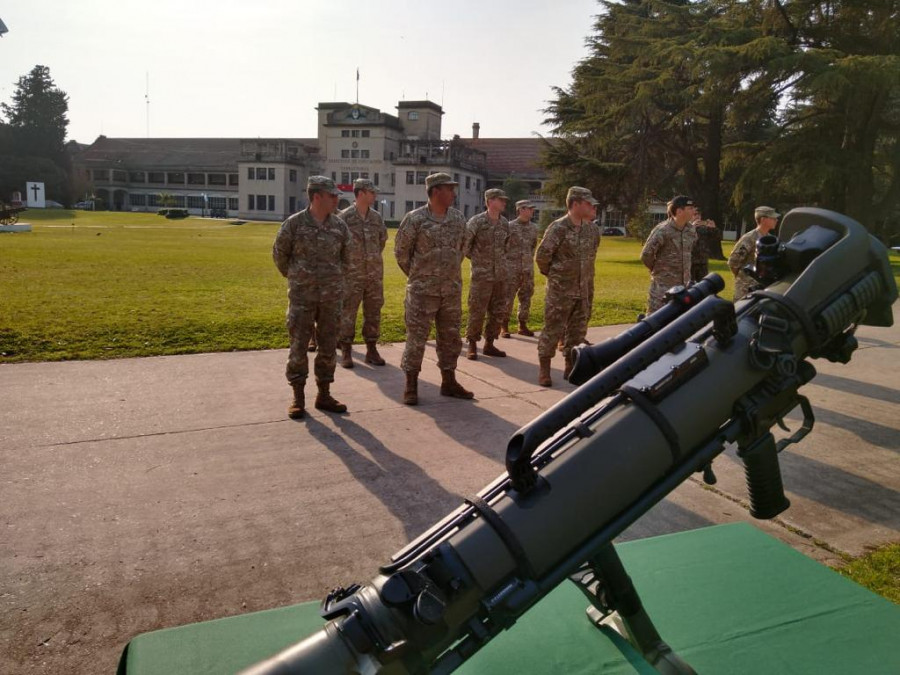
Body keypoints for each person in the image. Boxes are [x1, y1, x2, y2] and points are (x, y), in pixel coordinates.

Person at [272, 175, 350, 418]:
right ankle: (298, 397)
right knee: (299, 346)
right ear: (317, 196)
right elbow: (280, 256)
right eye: (332, 195)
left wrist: (334, 282)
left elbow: (347, 260)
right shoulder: (294, 225)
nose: (337, 199)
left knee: (328, 346)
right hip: (302, 298)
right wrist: (298, 278)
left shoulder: (339, 226)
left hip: (331, 298)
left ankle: (324, 394)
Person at [394, 173, 475, 405]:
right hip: (421, 293)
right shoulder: (415, 219)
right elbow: (401, 253)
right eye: (450, 189)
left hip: (450, 291)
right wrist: (420, 276)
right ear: (436, 191)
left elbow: (462, 247)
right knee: (416, 339)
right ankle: (411, 385)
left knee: (450, 338)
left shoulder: (458, 219)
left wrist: (447, 273)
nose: (454, 193)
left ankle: (449, 381)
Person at [535, 186, 601, 387]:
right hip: (560, 291)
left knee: (577, 332)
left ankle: (569, 366)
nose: (591, 206)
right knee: (552, 330)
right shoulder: (559, 227)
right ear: (575, 204)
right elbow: (542, 257)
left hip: (584, 290)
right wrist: (557, 277)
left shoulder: (592, 230)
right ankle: (544, 370)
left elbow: (591, 257)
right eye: (587, 203)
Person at [337, 178, 388, 368]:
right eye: (371, 192)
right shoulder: (344, 218)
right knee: (348, 313)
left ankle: (372, 350)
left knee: (373, 313)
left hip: (374, 276)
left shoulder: (376, 218)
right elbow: (337, 247)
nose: (375, 195)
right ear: (360, 193)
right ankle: (346, 351)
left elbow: (381, 240)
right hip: (351, 276)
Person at [464, 188, 511, 359]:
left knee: (497, 311)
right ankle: (472, 344)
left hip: (500, 275)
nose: (504, 202)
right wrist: (479, 261)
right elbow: (465, 246)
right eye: (501, 199)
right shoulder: (476, 222)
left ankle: (489, 343)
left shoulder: (505, 223)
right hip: (481, 276)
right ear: (490, 201)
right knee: (477, 310)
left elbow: (506, 246)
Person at [640, 195, 698, 314]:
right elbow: (646, 255)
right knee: (656, 323)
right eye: (690, 208)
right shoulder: (663, 230)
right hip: (662, 289)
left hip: (683, 289)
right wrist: (657, 270)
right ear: (679, 211)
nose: (694, 211)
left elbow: (691, 251)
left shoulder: (691, 231)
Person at [503, 200, 540, 337]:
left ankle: (522, 325)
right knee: (508, 297)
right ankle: (504, 325)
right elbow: (503, 247)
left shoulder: (534, 228)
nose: (532, 211)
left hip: (527, 269)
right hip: (511, 269)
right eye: (529, 209)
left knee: (526, 297)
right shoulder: (509, 226)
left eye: (532, 209)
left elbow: (533, 246)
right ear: (521, 210)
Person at [729, 205, 780, 301]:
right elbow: (733, 261)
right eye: (773, 218)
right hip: (745, 288)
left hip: (763, 286)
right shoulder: (749, 238)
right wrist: (743, 278)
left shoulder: (770, 239)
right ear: (763, 219)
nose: (776, 220)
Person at [690, 211, 721, 283]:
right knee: (689, 284)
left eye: (699, 214)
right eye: (695, 214)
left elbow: (717, 237)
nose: (697, 217)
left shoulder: (704, 229)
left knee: (702, 284)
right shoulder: (686, 227)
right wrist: (692, 227)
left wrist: (713, 228)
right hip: (690, 262)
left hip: (702, 262)